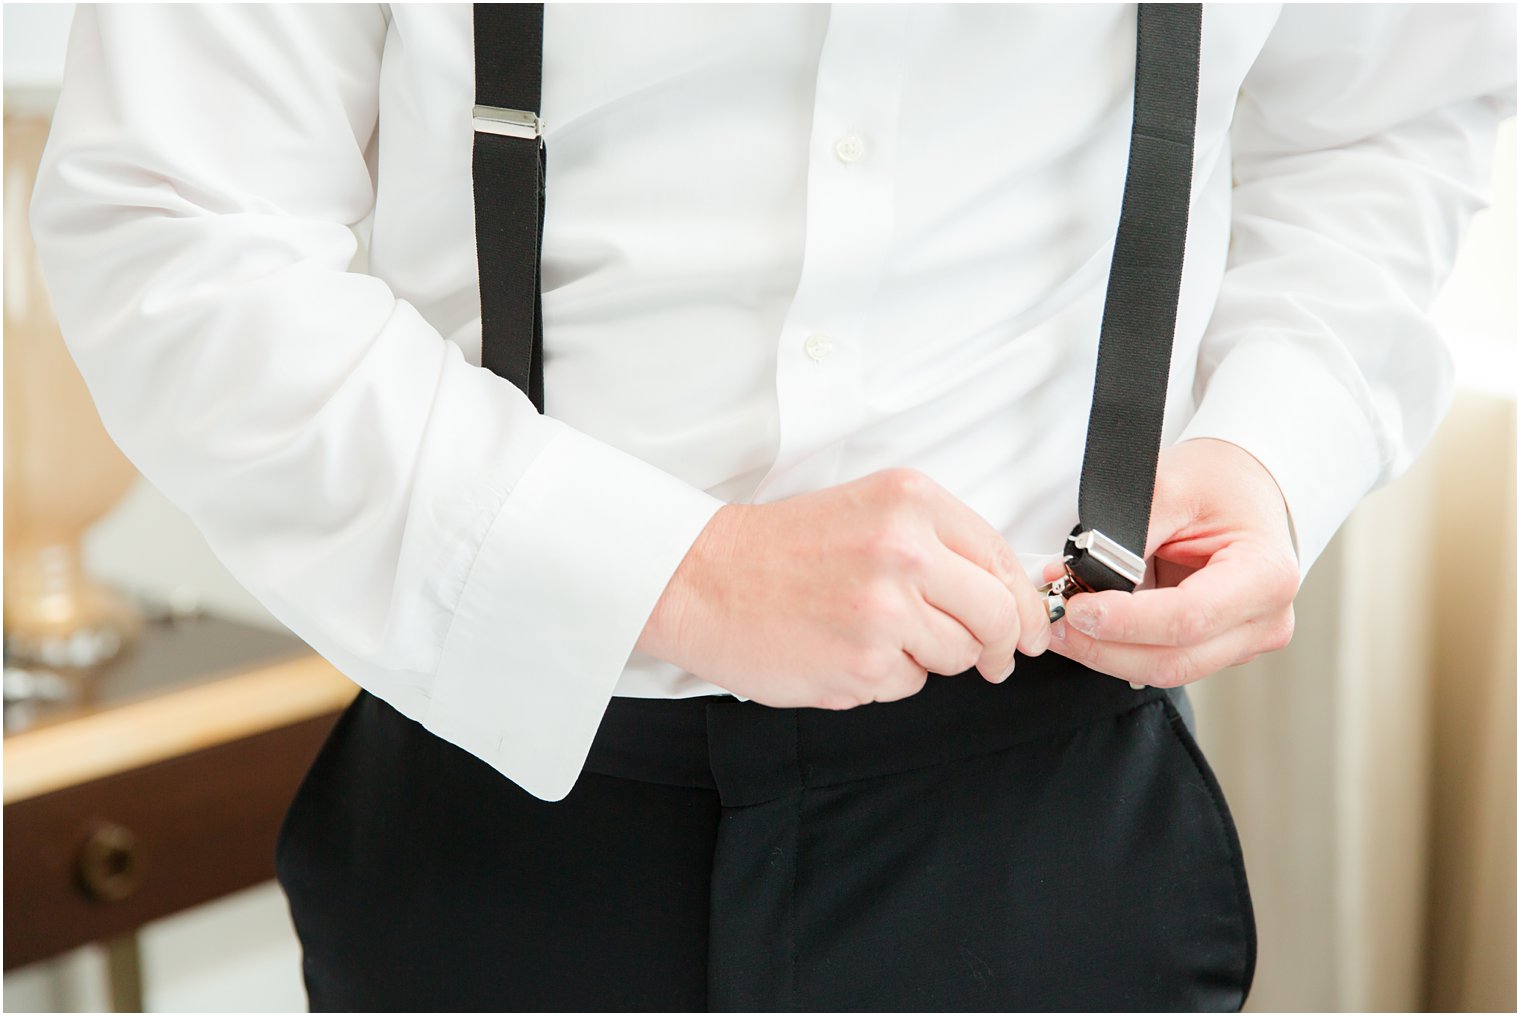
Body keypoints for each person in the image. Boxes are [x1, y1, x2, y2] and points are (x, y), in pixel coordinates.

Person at [31, 4, 1514, 1011]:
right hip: (512, 810)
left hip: (1051, 826)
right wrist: (669, 574)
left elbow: (1386, 119)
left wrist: (1275, 444)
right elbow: (170, 221)